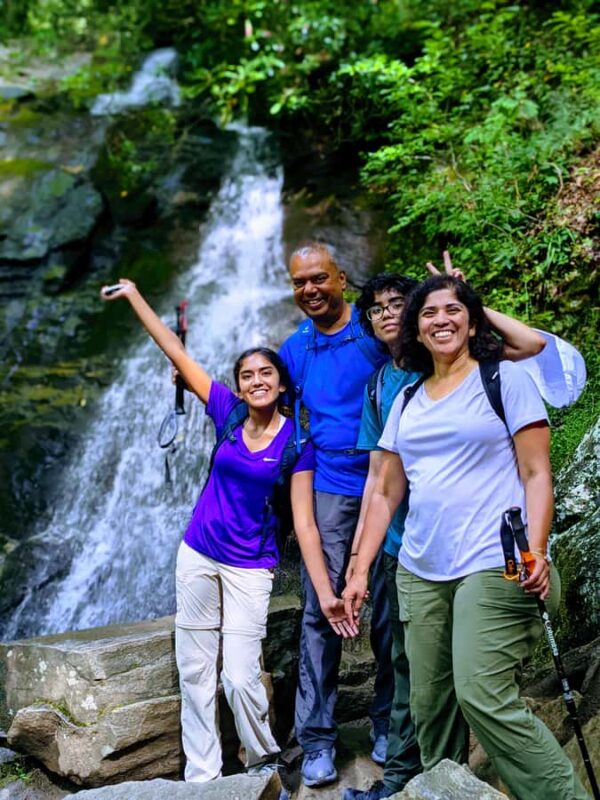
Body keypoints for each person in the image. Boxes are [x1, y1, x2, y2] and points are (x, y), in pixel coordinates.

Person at [343, 273, 589, 800]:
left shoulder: (504, 379)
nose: (441, 320)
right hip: (420, 569)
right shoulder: (405, 398)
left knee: (480, 691)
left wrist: (538, 549)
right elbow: (385, 492)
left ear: (472, 319)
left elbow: (536, 474)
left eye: (453, 309)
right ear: (415, 328)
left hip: (496, 560)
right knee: (429, 709)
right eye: (428, 313)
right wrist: (360, 570)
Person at [100, 279, 346, 795]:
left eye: (266, 374)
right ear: (237, 387)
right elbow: (172, 348)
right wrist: (135, 295)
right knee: (194, 673)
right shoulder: (225, 413)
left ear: (281, 385)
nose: (257, 381)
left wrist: (325, 592)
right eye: (247, 375)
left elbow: (303, 523)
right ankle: (203, 777)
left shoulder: (298, 445)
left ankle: (261, 762)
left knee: (237, 676)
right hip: (196, 554)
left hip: (250, 567)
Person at [278, 243, 392, 787]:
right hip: (328, 485)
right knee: (318, 613)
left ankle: (390, 723)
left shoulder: (375, 335)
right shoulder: (294, 348)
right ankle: (317, 739)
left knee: (391, 607)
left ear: (342, 278)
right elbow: (272, 410)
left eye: (319, 278)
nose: (310, 290)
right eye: (300, 282)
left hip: (390, 482)